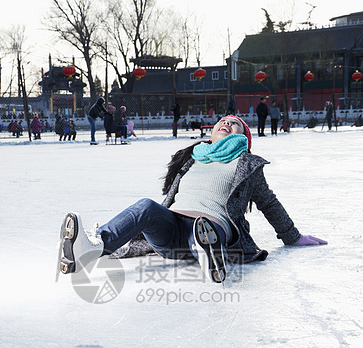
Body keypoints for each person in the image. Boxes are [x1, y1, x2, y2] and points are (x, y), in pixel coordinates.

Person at [56, 115, 327, 284]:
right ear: (211, 132)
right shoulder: (193, 158)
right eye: (223, 120)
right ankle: (91, 248)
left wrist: (292, 236)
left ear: (244, 137)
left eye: (234, 123)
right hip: (171, 230)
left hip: (214, 225)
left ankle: (207, 250)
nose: (226, 122)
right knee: (145, 206)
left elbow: (269, 203)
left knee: (204, 227)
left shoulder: (246, 164)